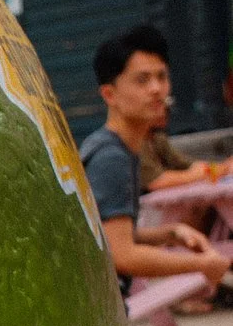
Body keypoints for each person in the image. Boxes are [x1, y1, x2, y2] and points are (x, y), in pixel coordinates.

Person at [77, 29, 221, 289]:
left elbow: (109, 236)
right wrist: (202, 264)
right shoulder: (111, 157)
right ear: (110, 94)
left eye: (162, 77)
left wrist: (170, 233)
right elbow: (123, 255)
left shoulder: (121, 146)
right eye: (142, 80)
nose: (157, 89)